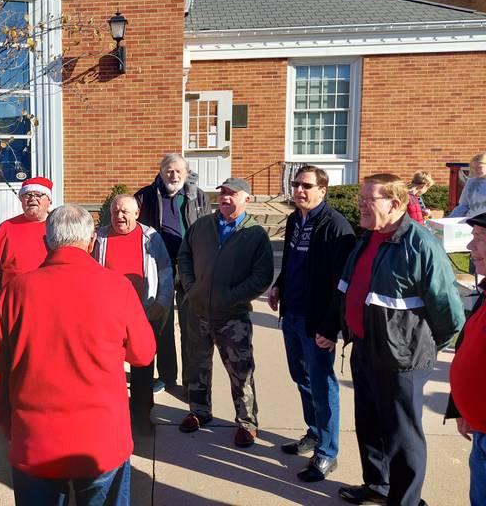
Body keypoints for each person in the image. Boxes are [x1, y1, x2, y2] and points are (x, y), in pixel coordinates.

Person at [0, 205, 156, 506]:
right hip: (102, 441)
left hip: (35, 439)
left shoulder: (17, 291)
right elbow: (143, 353)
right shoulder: (118, 287)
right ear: (91, 242)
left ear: (47, 243)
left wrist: (6, 423)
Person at [316, 173, 464, 506]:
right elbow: (346, 289)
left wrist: (421, 349)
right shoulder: (368, 238)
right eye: (361, 199)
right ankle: (377, 486)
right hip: (365, 349)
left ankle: (405, 501)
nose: (361, 206)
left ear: (394, 203)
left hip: (401, 360)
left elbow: (450, 314)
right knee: (369, 425)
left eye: (368, 200)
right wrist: (333, 327)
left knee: (402, 437)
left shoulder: (420, 245)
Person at [268, 166, 355, 482]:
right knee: (300, 376)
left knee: (321, 383)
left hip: (317, 321)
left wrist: (331, 328)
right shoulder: (294, 220)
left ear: (323, 190)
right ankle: (315, 432)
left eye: (306, 185)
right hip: (291, 315)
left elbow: (342, 284)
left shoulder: (337, 228)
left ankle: (327, 452)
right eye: (295, 184)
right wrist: (279, 285)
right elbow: (291, 260)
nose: (299, 190)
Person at [177, 178, 273, 447]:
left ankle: (246, 422)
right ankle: (199, 412)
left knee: (240, 370)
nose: (225, 198)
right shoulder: (203, 225)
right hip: (197, 311)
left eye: (233, 194)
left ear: (247, 199)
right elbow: (184, 256)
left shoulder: (255, 234)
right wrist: (191, 286)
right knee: (197, 365)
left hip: (232, 316)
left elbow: (262, 276)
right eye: (223, 193)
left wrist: (230, 297)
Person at [92, 194, 173, 432]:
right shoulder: (100, 237)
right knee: (109, 368)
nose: (119, 216)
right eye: (116, 211)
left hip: (142, 313)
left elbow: (166, 269)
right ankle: (112, 417)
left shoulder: (151, 237)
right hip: (108, 316)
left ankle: (141, 417)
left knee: (143, 365)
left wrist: (163, 302)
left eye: (125, 212)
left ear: (137, 214)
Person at [135, 153, 209, 392]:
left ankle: (190, 381)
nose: (173, 175)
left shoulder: (198, 196)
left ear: (186, 173)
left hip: (191, 267)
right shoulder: (146, 195)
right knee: (161, 322)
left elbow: (208, 230)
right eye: (169, 170)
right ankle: (167, 376)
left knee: (191, 325)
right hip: (160, 266)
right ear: (161, 172)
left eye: (178, 171)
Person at [447, 211, 486, 506]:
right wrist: (459, 407)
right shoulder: (485, 292)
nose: (470, 248)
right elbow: (467, 348)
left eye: (480, 239)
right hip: (479, 431)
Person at [0, 177, 53, 323]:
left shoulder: (58, 226)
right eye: (27, 195)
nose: (32, 199)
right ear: (21, 200)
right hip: (14, 311)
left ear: (49, 200)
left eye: (38, 195)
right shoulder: (6, 229)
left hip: (52, 309)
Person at [451, 152, 486, 218]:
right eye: (473, 167)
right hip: (473, 222)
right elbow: (463, 206)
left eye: (479, 167)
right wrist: (449, 218)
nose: (475, 170)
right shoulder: (470, 182)